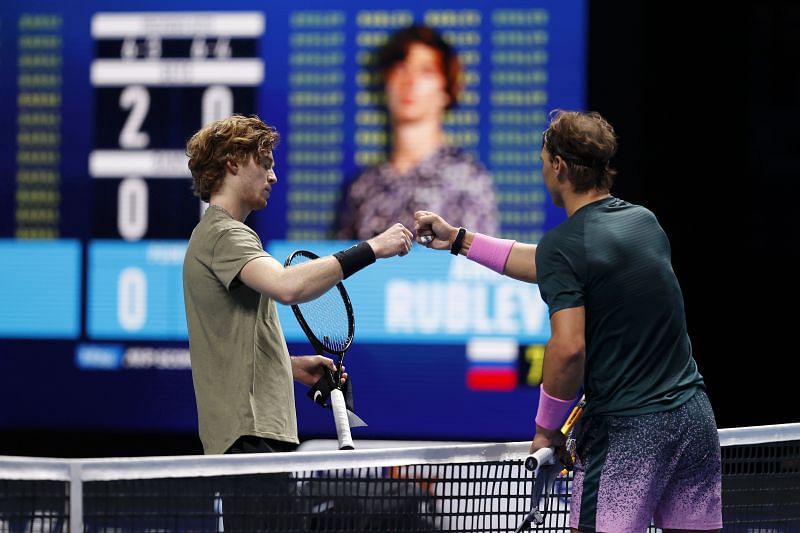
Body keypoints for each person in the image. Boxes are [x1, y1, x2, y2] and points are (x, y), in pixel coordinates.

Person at [414, 110, 722, 532]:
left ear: (558, 165)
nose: (542, 167)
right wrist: (460, 240)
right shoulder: (643, 222)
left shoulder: (566, 246)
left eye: (543, 159)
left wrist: (546, 428)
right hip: (694, 421)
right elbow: (556, 262)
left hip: (629, 433)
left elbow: (569, 348)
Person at [183, 114, 412, 530]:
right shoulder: (223, 234)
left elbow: (230, 344)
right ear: (233, 162)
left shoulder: (224, 236)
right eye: (264, 161)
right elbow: (288, 287)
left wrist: (288, 366)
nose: (273, 175)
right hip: (249, 440)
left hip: (256, 437)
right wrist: (373, 248)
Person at [336, 23, 499, 240]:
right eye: (400, 68)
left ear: (447, 89)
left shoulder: (467, 178)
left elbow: (479, 266)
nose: (410, 82)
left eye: (426, 71)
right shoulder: (363, 186)